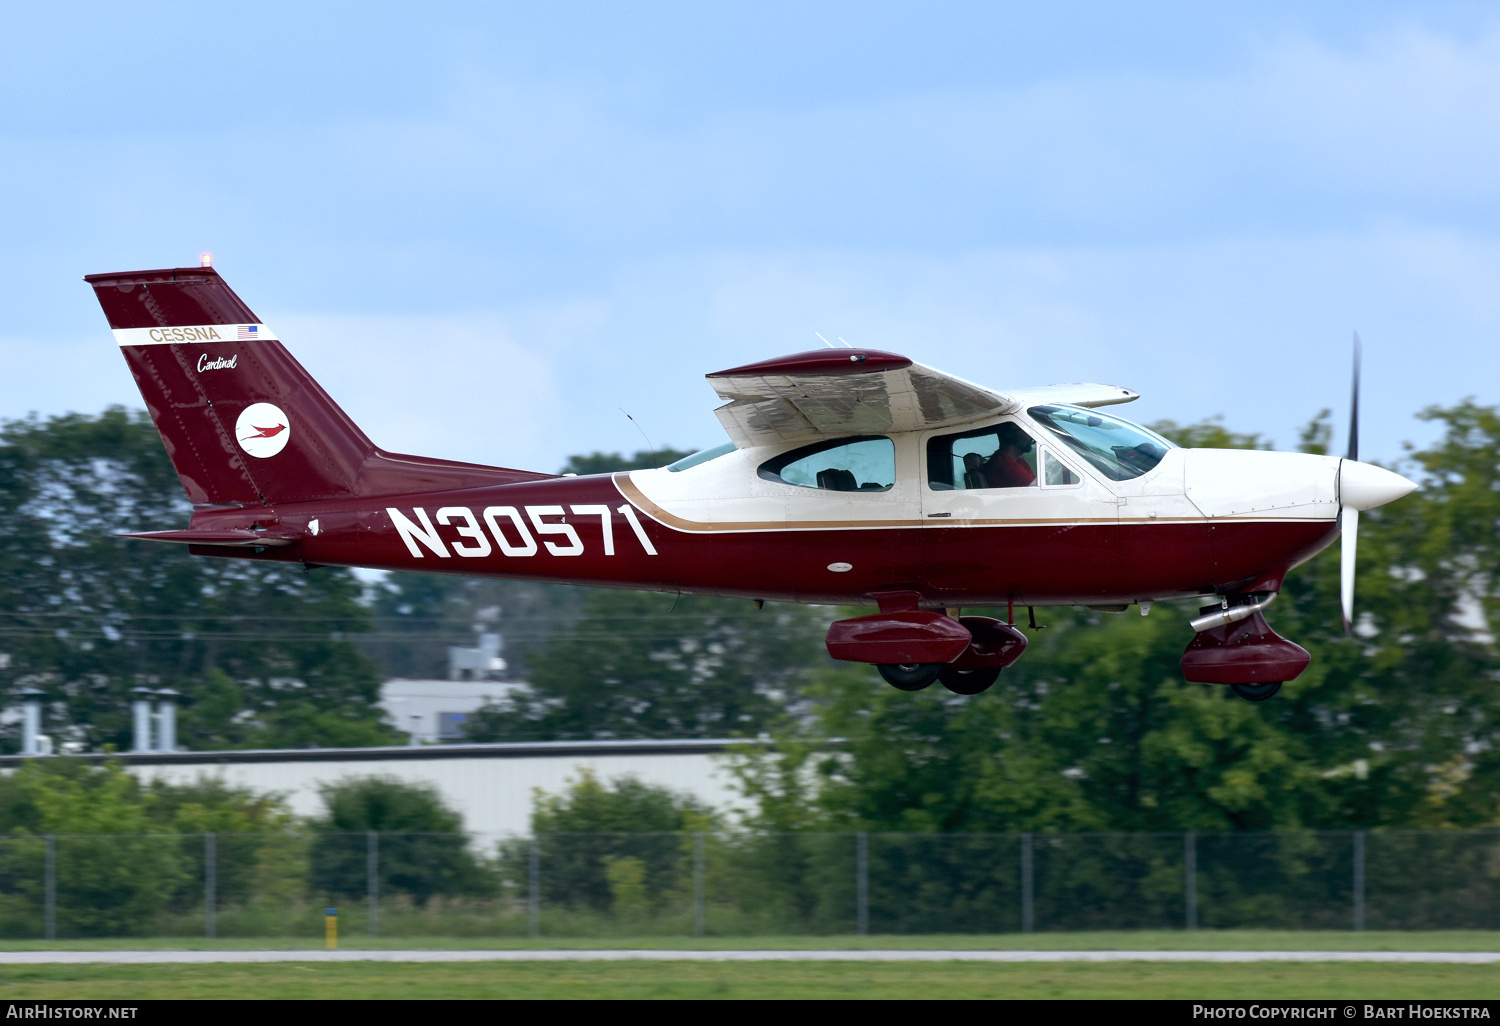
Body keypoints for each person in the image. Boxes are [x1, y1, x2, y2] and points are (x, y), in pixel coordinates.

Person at [980, 422, 1037, 487]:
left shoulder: (1018, 461)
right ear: (1010, 436)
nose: (1031, 435)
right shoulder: (1006, 465)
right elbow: (1037, 490)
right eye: (1025, 430)